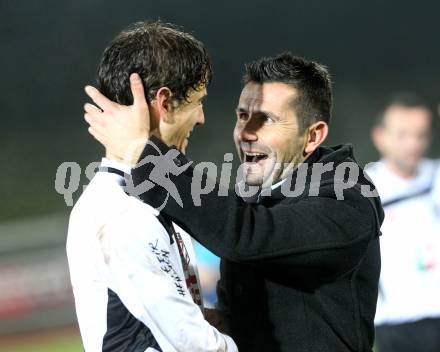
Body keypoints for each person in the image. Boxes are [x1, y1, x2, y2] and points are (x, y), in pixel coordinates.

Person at [84, 53, 384, 351]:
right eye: (242, 116)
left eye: (266, 119)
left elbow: (249, 236)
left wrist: (144, 153)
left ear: (313, 136)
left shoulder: (346, 201)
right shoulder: (255, 194)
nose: (246, 133)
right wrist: (217, 322)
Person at [67, 21, 237, 352]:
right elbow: (192, 342)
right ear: (164, 102)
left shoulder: (145, 193)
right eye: (197, 101)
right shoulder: (122, 210)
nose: (201, 118)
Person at [367, 93, 440, 352]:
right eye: (403, 134)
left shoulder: (437, 177)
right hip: (397, 324)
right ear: (380, 136)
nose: (413, 144)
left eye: (420, 134)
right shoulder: (364, 189)